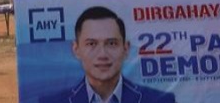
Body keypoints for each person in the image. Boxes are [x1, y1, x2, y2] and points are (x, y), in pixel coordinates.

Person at [40, 6, 175, 103]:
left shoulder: (160, 100)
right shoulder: (51, 101)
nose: (102, 54)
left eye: (111, 43)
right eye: (92, 44)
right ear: (76, 49)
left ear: (126, 48)